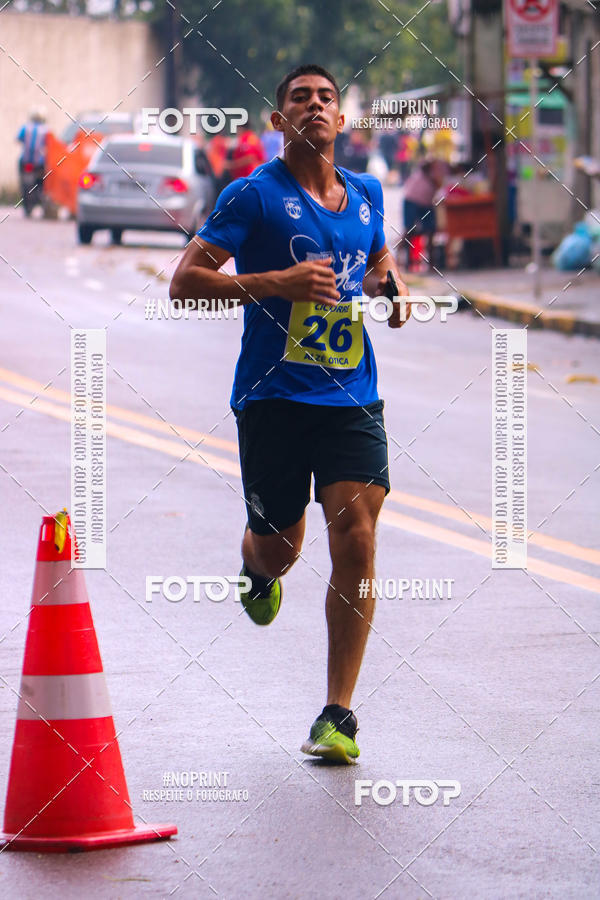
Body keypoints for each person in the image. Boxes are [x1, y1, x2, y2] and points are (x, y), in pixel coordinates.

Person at [169, 64, 410, 764]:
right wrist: (275, 282)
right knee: (282, 547)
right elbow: (186, 283)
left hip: (350, 397)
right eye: (299, 98)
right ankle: (257, 567)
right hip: (273, 399)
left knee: (358, 536)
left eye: (326, 97)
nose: (314, 106)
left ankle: (338, 713)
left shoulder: (364, 194)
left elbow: (377, 261)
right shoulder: (252, 196)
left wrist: (388, 288)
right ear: (279, 122)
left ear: (342, 119)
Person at [400, 156, 447, 271]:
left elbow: (439, 184)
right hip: (412, 200)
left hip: (426, 203)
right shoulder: (425, 170)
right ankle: (406, 261)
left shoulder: (438, 170)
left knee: (430, 230)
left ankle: (431, 263)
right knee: (409, 230)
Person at [16, 108, 48, 216]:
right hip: (39, 162)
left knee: (24, 183)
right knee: (42, 184)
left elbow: (18, 139)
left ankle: (27, 206)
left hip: (25, 161)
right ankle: (41, 201)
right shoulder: (46, 130)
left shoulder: (25, 128)